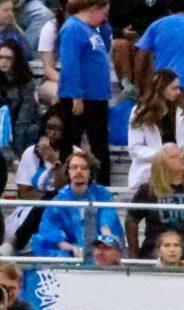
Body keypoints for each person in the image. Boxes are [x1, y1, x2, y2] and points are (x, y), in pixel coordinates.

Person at [127, 144, 184, 259]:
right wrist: (133, 253)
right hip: (158, 248)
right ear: (162, 164)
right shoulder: (149, 190)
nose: (181, 157)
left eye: (181, 154)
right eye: (174, 157)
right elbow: (131, 219)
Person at [58, 0, 112, 185]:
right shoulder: (73, 29)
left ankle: (103, 185)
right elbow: (69, 63)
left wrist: (104, 26)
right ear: (94, 9)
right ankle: (68, 183)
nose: (106, 18)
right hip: (81, 97)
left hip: (97, 96)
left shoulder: (91, 30)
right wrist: (75, 95)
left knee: (100, 146)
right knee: (71, 141)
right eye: (104, 13)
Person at [29, 149, 121, 257]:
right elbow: (51, 232)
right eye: (74, 167)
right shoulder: (59, 200)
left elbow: (107, 225)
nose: (79, 171)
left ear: (90, 172)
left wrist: (104, 244)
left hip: (99, 246)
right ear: (68, 171)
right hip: (70, 251)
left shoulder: (103, 194)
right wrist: (73, 248)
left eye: (84, 168)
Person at [127, 69, 184, 190]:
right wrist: (163, 156)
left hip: (181, 166)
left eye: (178, 88)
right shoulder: (140, 112)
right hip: (150, 169)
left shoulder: (183, 109)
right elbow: (135, 148)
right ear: (161, 89)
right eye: (174, 88)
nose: (178, 92)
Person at [7, 107, 66, 251]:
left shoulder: (75, 153)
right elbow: (24, 192)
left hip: (63, 208)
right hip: (30, 207)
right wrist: (47, 199)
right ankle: (17, 244)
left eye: (57, 129)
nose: (52, 133)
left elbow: (66, 190)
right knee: (44, 207)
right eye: (49, 128)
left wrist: (55, 161)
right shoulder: (29, 153)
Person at [0, 41, 39, 155]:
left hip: (24, 123)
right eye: (1, 57)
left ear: (16, 60)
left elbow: (25, 115)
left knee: (32, 129)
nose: (3, 62)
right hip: (4, 122)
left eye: (8, 58)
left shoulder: (26, 81)